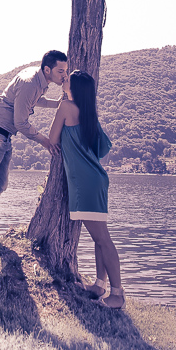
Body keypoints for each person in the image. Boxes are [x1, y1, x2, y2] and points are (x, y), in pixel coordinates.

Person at [0, 50, 68, 251]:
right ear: (47, 69)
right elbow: (20, 123)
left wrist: (58, 104)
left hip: (3, 136)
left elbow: (33, 100)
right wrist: (46, 142)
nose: (64, 75)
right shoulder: (31, 82)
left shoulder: (38, 80)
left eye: (66, 71)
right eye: (61, 71)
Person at [49, 70, 125, 309]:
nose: (64, 79)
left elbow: (52, 139)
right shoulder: (89, 114)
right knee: (99, 237)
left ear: (75, 88)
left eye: (68, 79)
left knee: (103, 239)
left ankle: (118, 295)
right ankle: (100, 285)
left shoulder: (65, 107)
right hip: (95, 180)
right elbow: (102, 148)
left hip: (85, 183)